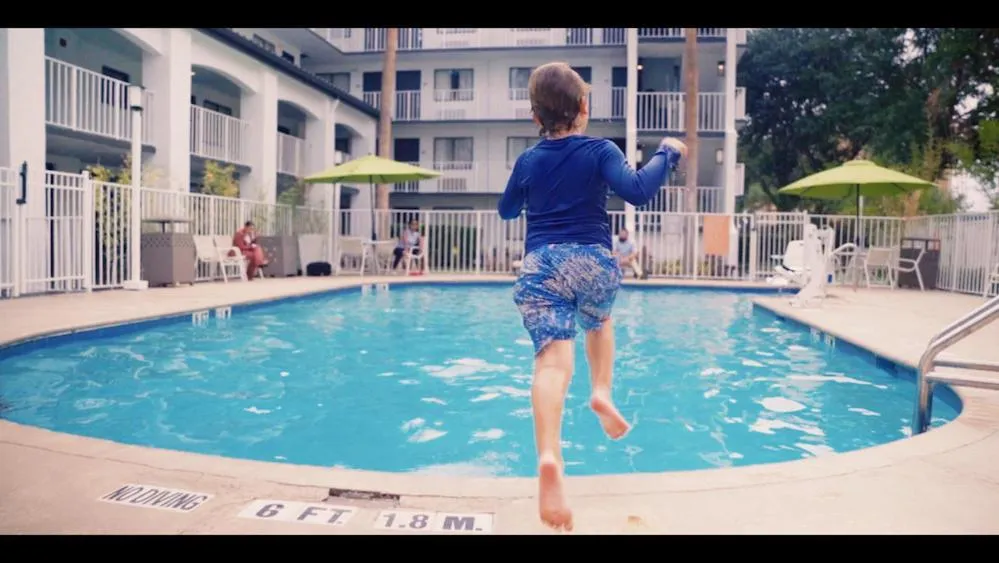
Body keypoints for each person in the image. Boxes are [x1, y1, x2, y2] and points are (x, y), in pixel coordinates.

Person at [497, 61, 686, 531]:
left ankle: (548, 456)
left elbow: (505, 210)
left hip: (542, 266)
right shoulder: (600, 149)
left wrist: (531, 189)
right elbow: (639, 190)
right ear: (584, 108)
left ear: (534, 116)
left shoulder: (528, 160)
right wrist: (666, 153)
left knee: (551, 363)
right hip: (593, 262)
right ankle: (601, 391)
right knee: (599, 323)